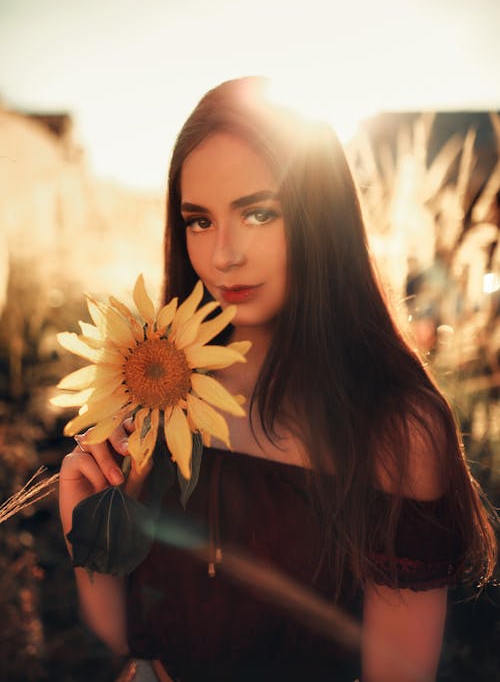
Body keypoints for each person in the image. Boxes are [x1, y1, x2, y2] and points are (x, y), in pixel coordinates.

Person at [59, 76, 496, 682]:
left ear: (321, 217)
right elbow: (125, 638)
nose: (223, 255)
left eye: (259, 212)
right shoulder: (156, 397)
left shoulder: (397, 429)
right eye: (199, 220)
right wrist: (88, 521)